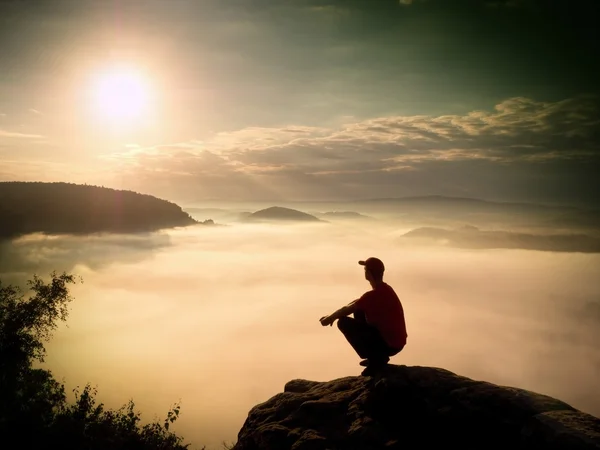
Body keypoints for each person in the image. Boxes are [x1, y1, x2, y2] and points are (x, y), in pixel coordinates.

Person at [319, 257, 407, 376]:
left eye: (365, 269)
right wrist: (332, 315)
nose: (364, 272)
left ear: (369, 273)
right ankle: (376, 357)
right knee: (359, 311)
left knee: (343, 322)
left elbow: (347, 310)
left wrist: (330, 318)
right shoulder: (385, 289)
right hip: (396, 343)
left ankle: (377, 360)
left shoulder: (373, 295)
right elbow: (357, 303)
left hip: (389, 345)